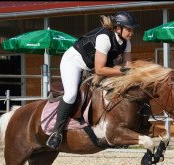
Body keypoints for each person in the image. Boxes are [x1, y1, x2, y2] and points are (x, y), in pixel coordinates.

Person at [46, 11, 140, 150]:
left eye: (133, 29)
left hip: (90, 67)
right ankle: (56, 132)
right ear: (118, 28)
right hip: (73, 62)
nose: (131, 32)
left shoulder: (126, 43)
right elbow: (100, 69)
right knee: (71, 94)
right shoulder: (104, 38)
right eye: (129, 29)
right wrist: (123, 71)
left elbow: (128, 67)